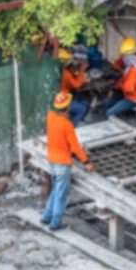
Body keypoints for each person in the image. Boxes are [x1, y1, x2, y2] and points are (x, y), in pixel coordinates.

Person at [42, 92, 94, 231]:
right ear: (68, 107)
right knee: (60, 195)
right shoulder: (67, 125)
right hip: (62, 163)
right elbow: (75, 147)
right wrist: (87, 162)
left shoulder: (50, 116)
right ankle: (55, 224)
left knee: (54, 191)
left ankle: (46, 216)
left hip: (51, 160)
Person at [104, 37, 136, 118]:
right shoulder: (130, 67)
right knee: (107, 103)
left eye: (124, 57)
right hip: (133, 94)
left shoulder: (134, 70)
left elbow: (128, 88)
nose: (122, 58)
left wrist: (121, 86)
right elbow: (121, 75)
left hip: (133, 98)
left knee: (110, 113)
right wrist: (114, 88)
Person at [58, 50, 88, 126]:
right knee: (82, 109)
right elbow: (76, 85)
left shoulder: (67, 71)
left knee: (85, 102)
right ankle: (72, 125)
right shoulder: (66, 74)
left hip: (69, 97)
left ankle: (79, 119)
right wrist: (82, 71)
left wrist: (81, 75)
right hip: (65, 100)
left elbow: (75, 76)